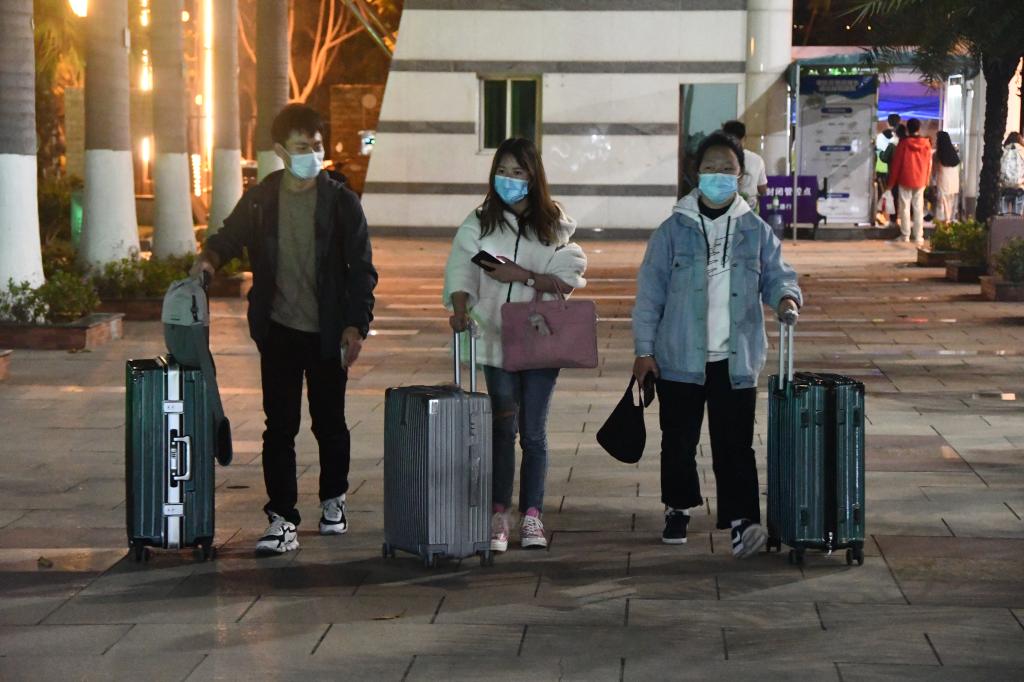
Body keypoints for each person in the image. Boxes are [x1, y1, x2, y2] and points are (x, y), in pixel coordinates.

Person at [192, 104, 378, 554]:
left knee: (329, 423)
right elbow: (228, 236)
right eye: (301, 147)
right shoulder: (261, 201)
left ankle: (333, 499)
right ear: (280, 150)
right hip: (278, 331)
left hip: (328, 332)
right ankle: (281, 518)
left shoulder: (342, 203)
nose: (311, 155)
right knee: (279, 427)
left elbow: (361, 270)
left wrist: (356, 325)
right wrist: (208, 261)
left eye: (316, 146)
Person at [632, 131, 802, 558]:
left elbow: (778, 275)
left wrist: (786, 297)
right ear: (696, 174)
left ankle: (743, 522)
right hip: (678, 356)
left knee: (735, 445)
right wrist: (644, 350)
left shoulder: (756, 230)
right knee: (678, 441)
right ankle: (678, 506)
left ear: (741, 176)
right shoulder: (671, 231)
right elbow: (650, 294)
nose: (719, 175)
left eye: (727, 168)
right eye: (710, 168)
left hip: (735, 358)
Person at [443, 138, 587, 552]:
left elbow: (567, 278)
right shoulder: (480, 221)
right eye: (502, 171)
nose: (509, 179)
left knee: (534, 433)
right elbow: (461, 269)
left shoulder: (554, 223)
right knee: (502, 430)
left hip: (540, 341)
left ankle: (533, 515)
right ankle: (498, 514)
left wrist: (521, 276)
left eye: (518, 172)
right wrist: (459, 308)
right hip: (496, 341)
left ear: (533, 176)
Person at [887, 118, 932, 245]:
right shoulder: (926, 144)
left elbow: (896, 165)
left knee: (905, 207)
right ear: (919, 128)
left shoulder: (903, 144)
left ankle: (905, 235)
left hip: (905, 178)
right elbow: (929, 164)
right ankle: (918, 236)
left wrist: (891, 183)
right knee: (918, 208)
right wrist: (927, 179)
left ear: (908, 129)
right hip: (920, 180)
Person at [721, 120, 768, 212]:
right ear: (744, 138)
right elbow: (763, 190)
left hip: (726, 211)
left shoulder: (719, 159)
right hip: (750, 210)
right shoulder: (757, 160)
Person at [875, 113, 901, 225]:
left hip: (882, 170)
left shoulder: (880, 137)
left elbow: (879, 153)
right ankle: (894, 218)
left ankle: (883, 215)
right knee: (895, 195)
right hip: (897, 172)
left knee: (883, 194)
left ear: (887, 122)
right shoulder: (900, 138)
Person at [933, 131, 961, 225]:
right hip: (954, 183)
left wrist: (932, 182)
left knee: (942, 204)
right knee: (951, 203)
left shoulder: (937, 155)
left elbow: (934, 171)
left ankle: (944, 223)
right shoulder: (954, 154)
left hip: (943, 182)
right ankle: (949, 222)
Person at [999, 132, 1024, 215]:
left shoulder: (1003, 151)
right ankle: (1017, 215)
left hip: (1004, 187)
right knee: (1017, 215)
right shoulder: (1023, 151)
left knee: (1003, 214)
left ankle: (1003, 215)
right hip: (1019, 187)